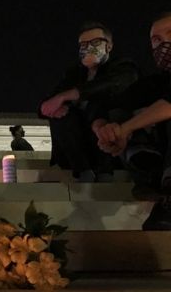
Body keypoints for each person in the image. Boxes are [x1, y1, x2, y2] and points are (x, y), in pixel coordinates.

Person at [93, 13, 171, 230]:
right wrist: (106, 130)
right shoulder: (154, 83)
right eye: (156, 40)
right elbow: (110, 104)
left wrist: (126, 128)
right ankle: (148, 166)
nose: (163, 44)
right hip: (159, 161)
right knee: (121, 112)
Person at [40, 21, 138, 182]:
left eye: (95, 42)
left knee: (97, 104)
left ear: (109, 46)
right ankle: (83, 171)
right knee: (62, 113)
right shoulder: (73, 74)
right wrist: (55, 106)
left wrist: (68, 95)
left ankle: (104, 171)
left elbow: (112, 84)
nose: (88, 47)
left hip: (108, 144)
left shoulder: (122, 66)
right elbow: (47, 103)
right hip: (76, 146)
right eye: (83, 44)